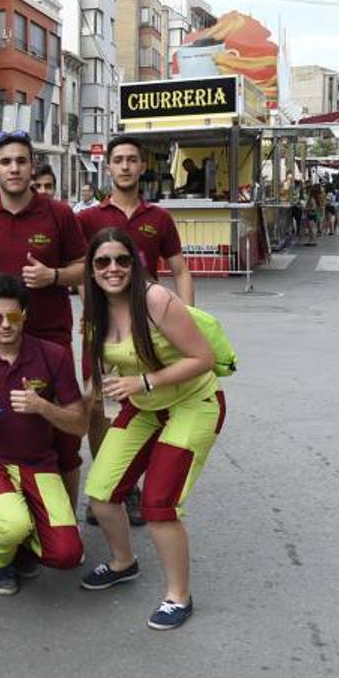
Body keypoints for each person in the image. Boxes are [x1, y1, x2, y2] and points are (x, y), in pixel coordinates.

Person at [81, 227, 225, 630]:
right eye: (102, 262)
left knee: (159, 506)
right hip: (145, 408)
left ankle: (178, 596)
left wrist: (143, 382)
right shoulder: (96, 309)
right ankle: (123, 561)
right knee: (101, 493)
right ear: (91, 271)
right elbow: (102, 369)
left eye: (122, 260)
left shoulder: (156, 300)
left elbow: (204, 358)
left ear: (136, 263)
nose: (113, 269)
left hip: (191, 404)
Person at [0, 130, 88, 508]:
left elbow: (84, 269)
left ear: (32, 166)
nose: (14, 168)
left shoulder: (59, 213)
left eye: (21, 160)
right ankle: (4, 513)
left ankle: (63, 516)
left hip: (50, 337)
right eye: (5, 161)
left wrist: (54, 276)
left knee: (64, 434)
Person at [78, 135, 194, 525]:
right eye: (118, 160)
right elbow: (80, 270)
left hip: (150, 329)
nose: (125, 166)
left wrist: (186, 316)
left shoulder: (159, 218)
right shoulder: (88, 219)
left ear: (142, 167)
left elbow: (180, 270)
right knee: (97, 403)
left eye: (132, 160)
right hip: (102, 330)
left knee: (148, 399)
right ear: (107, 167)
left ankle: (131, 487)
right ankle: (108, 480)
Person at [0, 274, 86, 595]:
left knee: (67, 554)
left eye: (13, 316)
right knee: (12, 526)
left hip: (39, 464)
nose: (5, 325)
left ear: (25, 315)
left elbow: (79, 422)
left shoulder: (53, 355)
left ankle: (20, 544)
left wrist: (43, 407)